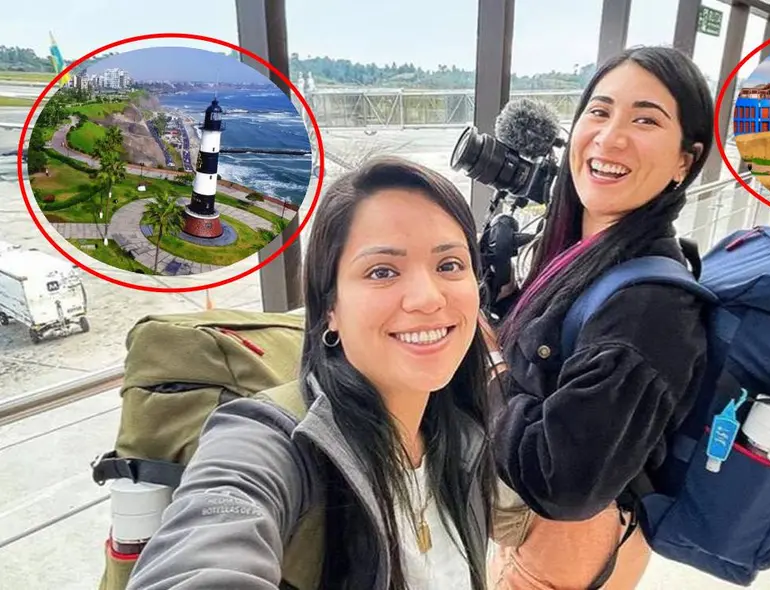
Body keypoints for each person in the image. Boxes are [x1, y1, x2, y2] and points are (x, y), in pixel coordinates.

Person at [126, 156, 496, 590]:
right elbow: (206, 545)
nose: (427, 298)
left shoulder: (459, 434)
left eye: (449, 265)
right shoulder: (271, 441)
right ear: (331, 309)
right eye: (382, 271)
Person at [481, 45, 714, 588]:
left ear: (686, 158)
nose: (610, 137)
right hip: (529, 534)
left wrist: (487, 363)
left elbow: (562, 480)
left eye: (645, 120)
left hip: (562, 552)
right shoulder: (586, 251)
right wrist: (506, 299)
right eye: (600, 111)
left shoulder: (650, 309)